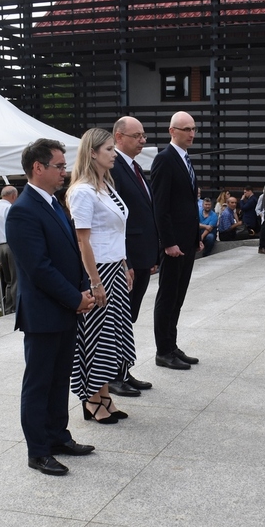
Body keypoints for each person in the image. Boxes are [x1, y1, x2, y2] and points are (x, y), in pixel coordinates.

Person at [7, 138, 96, 477]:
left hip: (66, 308)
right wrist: (75, 298)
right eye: (59, 165)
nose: (65, 171)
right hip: (44, 313)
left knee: (60, 379)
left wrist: (83, 288)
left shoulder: (54, 203)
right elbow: (39, 268)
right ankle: (38, 450)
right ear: (38, 168)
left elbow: (69, 253)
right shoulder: (22, 211)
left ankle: (58, 436)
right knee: (39, 383)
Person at [67, 127, 137, 425]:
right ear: (92, 152)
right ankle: (91, 399)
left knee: (112, 337)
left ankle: (104, 396)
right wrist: (95, 281)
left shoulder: (105, 186)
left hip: (114, 267)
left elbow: (115, 233)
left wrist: (124, 265)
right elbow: (83, 241)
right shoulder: (82, 191)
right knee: (96, 337)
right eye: (108, 149)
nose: (113, 154)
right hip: (97, 271)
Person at [151, 111, 203, 370]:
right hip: (173, 245)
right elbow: (160, 206)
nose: (191, 133)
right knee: (168, 295)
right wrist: (168, 242)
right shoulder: (164, 159)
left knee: (179, 296)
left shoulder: (185, 159)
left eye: (193, 128)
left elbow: (187, 205)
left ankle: (172, 345)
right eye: (186, 129)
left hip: (186, 242)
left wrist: (195, 238)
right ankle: (163, 351)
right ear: (172, 131)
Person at [110, 115, 157, 395]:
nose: (142, 141)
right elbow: (115, 220)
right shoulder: (113, 167)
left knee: (130, 316)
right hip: (126, 258)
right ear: (118, 137)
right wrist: (125, 259)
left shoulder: (135, 167)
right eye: (136, 136)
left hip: (141, 256)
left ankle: (124, 370)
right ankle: (114, 375)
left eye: (143, 136)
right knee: (120, 317)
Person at [0, 184, 19, 314]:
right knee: (16, 278)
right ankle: (16, 306)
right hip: (11, 244)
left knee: (8, 279)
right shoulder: (10, 208)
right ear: (14, 196)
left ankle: (8, 307)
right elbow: (15, 228)